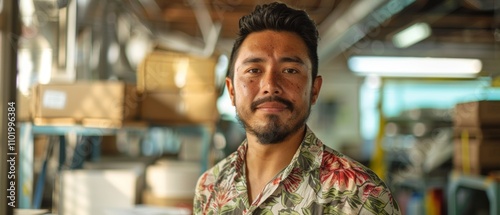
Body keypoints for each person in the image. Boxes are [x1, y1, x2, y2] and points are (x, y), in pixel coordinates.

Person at [194, 2, 401, 214]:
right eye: (254, 70)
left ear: (314, 89)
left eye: (290, 70)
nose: (270, 86)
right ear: (231, 90)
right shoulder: (210, 186)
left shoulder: (360, 195)